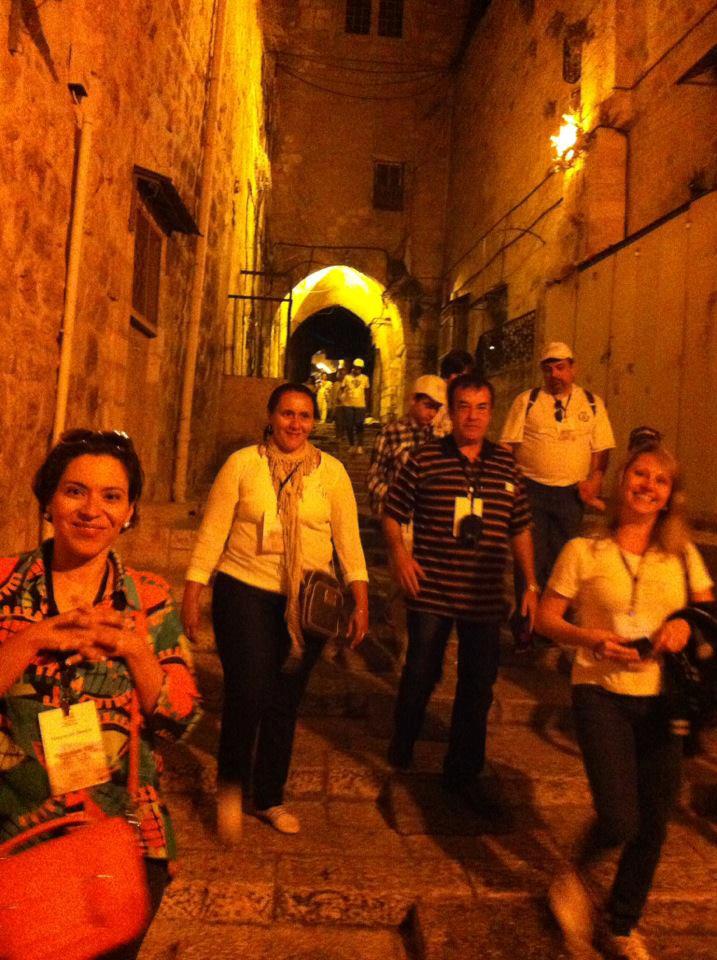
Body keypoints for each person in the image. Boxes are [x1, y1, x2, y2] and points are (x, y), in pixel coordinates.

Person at [0, 429, 200, 960]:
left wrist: (135, 650)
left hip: (118, 839)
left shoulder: (149, 598)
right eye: (75, 491)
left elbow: (182, 719)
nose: (92, 510)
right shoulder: (3, 585)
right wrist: (31, 640)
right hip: (13, 835)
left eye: (112, 496)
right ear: (48, 500)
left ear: (129, 511)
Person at [536, 442, 714, 960]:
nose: (648, 486)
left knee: (654, 822)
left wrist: (684, 625)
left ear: (670, 496)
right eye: (640, 474)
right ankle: (572, 876)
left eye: (660, 480)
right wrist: (590, 639)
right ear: (622, 481)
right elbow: (547, 618)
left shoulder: (682, 555)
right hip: (600, 692)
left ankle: (622, 924)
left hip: (663, 698)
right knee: (619, 818)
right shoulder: (584, 551)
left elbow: (708, 613)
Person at [182, 383, 369, 840]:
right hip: (244, 590)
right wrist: (193, 590)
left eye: (304, 415)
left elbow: (348, 541)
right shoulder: (243, 465)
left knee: (285, 701)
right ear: (271, 417)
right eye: (287, 413)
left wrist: (360, 598)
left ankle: (269, 797)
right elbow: (213, 530)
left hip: (307, 602)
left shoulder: (332, 474)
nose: (295, 423)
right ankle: (230, 791)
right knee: (246, 693)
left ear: (314, 421)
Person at [381, 373, 539, 809]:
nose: (473, 416)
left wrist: (529, 582)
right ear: (450, 412)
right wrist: (400, 557)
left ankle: (463, 771)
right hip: (432, 588)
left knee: (478, 685)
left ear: (492, 413)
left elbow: (521, 527)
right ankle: (404, 741)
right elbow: (392, 512)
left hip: (483, 596)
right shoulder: (425, 459)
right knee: (421, 671)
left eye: (481, 407)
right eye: (464, 406)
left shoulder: (506, 465)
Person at [500, 342, 616, 647]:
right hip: (531, 490)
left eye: (561, 367)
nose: (555, 375)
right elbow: (507, 446)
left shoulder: (591, 404)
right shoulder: (527, 401)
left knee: (563, 561)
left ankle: (552, 625)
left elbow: (601, 447)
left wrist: (596, 478)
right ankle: (526, 624)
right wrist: (508, 484)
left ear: (572, 368)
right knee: (530, 560)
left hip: (571, 494)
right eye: (549, 369)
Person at [366, 374, 447, 517]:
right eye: (428, 406)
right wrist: (396, 496)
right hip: (396, 515)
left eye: (436, 408)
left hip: (427, 517)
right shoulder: (390, 433)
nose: (432, 413)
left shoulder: (437, 437)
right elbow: (373, 478)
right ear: (414, 400)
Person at [432, 349, 475, 438]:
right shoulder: (435, 394)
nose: (462, 380)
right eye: (458, 375)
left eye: (465, 376)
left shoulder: (465, 396)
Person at [340, 358, 370, 453]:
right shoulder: (347, 377)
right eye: (356, 368)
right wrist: (341, 396)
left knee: (359, 425)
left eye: (359, 368)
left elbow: (367, 391)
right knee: (349, 425)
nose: (358, 370)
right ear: (353, 367)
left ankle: (360, 445)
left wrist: (367, 404)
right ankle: (352, 445)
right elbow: (342, 388)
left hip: (360, 405)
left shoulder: (365, 378)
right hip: (348, 404)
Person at [331, 367, 348, 445]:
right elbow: (333, 395)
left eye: (344, 374)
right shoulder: (336, 384)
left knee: (344, 422)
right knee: (338, 421)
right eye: (341, 374)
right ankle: (338, 436)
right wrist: (332, 406)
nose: (342, 376)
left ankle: (342, 436)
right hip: (338, 406)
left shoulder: (347, 384)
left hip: (346, 405)